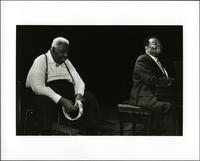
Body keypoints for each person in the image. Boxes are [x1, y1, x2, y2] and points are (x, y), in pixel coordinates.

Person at [26, 37, 100, 135]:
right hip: (50, 100)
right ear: (53, 50)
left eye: (67, 52)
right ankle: (44, 135)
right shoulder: (41, 60)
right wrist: (61, 100)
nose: (66, 55)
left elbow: (79, 82)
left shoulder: (66, 62)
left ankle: (92, 134)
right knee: (43, 101)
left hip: (68, 99)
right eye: (62, 52)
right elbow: (37, 87)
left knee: (89, 97)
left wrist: (78, 98)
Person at [129, 36, 176, 135]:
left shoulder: (158, 62)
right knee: (168, 106)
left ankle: (170, 132)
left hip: (155, 94)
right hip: (143, 96)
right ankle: (172, 138)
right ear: (146, 47)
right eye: (155, 43)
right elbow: (151, 80)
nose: (158, 44)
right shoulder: (142, 59)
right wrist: (172, 81)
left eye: (159, 43)